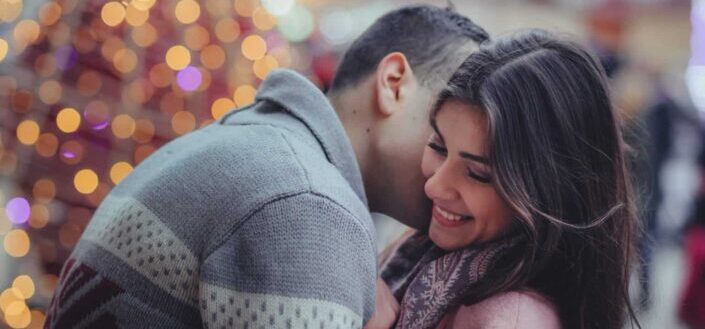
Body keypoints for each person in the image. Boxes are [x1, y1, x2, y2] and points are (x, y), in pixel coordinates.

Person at [43, 5, 489, 329]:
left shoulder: (253, 146)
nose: (462, 164)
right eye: (447, 124)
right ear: (393, 84)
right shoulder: (305, 203)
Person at [370, 30, 640, 329]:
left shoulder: (509, 320)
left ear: (549, 191)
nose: (435, 186)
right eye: (438, 147)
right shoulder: (422, 250)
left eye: (478, 174)